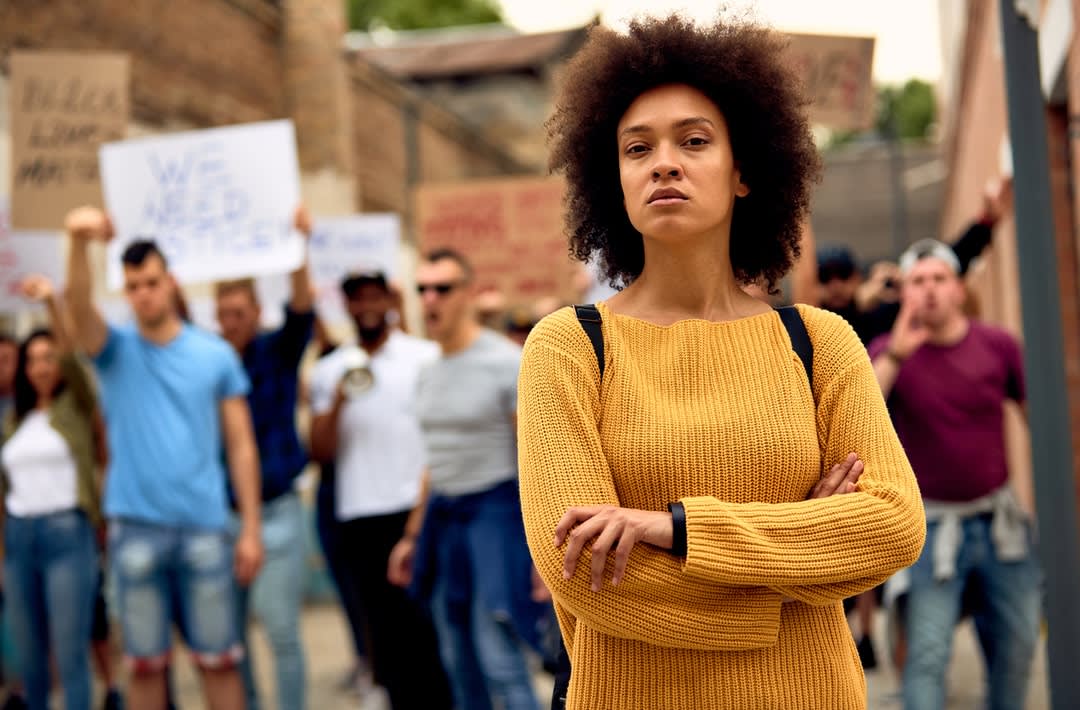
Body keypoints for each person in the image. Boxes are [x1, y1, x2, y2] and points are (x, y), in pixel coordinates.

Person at [516, 15, 926, 709]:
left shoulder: (820, 341)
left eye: (694, 141)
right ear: (613, 178)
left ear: (743, 172)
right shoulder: (567, 345)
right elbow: (579, 569)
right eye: (637, 148)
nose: (664, 162)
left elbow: (893, 526)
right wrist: (800, 565)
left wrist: (670, 530)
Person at [63, 206, 264, 710]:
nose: (142, 294)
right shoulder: (113, 351)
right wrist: (77, 242)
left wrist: (252, 529)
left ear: (171, 282)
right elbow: (78, 306)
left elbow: (241, 445)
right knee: (146, 668)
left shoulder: (214, 353)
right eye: (132, 286)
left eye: (150, 282)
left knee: (219, 662)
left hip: (204, 529)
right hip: (136, 529)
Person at [868, 239, 1040, 710]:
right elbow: (861, 416)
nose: (929, 291)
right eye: (918, 282)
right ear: (905, 293)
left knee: (1018, 644)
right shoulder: (888, 352)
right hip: (929, 528)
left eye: (939, 279)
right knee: (925, 654)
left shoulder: (998, 345)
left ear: (958, 289)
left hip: (999, 523)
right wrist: (899, 356)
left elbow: (1036, 422)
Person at [387, 249, 547, 710]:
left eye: (442, 288)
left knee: (499, 652)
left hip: (496, 514)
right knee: (457, 656)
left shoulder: (506, 361)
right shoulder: (427, 371)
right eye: (422, 289)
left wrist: (540, 550)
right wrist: (412, 536)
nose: (430, 299)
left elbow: (533, 458)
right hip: (444, 517)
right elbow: (434, 463)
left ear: (470, 294)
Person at [309, 271, 450, 710]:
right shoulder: (330, 369)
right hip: (360, 514)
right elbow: (320, 451)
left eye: (375, 296)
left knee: (431, 625)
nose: (366, 306)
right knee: (381, 629)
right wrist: (337, 400)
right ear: (346, 306)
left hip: (416, 509)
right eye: (357, 299)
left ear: (389, 300)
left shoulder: (424, 357)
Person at [214, 205, 315, 710]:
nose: (229, 323)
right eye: (222, 314)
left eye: (238, 313)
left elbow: (302, 309)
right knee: (231, 639)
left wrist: (297, 245)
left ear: (256, 312)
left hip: (277, 510)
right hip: (223, 516)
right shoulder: (206, 362)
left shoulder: (276, 352)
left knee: (282, 632)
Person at [0, 275, 102, 710]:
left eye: (48, 358)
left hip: (67, 535)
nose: (42, 367)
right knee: (30, 660)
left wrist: (51, 305)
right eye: (33, 360)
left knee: (70, 654)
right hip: (20, 539)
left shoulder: (75, 407)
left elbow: (75, 359)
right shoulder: (14, 422)